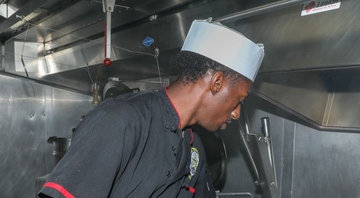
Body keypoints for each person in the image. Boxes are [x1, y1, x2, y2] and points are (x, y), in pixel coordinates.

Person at [38, 18, 264, 198]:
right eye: (239, 101)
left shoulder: (195, 146)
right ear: (217, 83)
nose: (236, 113)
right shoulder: (121, 121)